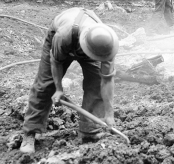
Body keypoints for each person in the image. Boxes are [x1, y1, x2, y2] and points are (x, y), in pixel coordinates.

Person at [20, 8, 120, 154]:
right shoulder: (63, 35)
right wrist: (59, 89)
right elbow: (55, 62)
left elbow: (107, 81)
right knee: (45, 84)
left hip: (85, 41)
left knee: (96, 83)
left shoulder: (107, 46)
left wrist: (109, 114)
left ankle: (90, 130)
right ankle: (30, 132)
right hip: (63, 37)